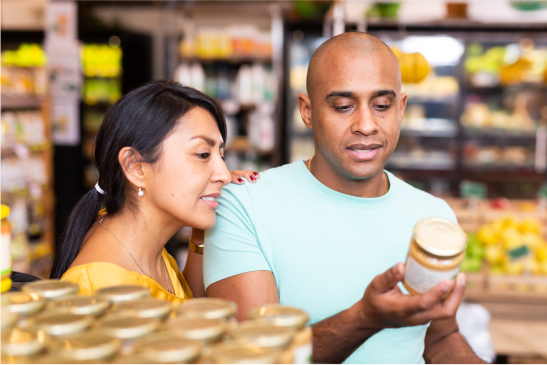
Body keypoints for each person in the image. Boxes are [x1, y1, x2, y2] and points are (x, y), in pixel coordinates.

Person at [184, 33, 487, 364]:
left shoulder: (434, 219)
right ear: (307, 111)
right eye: (343, 106)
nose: (367, 125)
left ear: (401, 108)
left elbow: (440, 336)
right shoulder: (244, 205)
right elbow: (259, 356)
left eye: (382, 105)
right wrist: (365, 319)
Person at [51, 80, 256, 303]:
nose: (224, 175)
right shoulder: (99, 289)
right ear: (135, 168)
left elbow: (188, 306)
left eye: (221, 155)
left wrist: (201, 229)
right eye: (203, 154)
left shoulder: (140, 242)